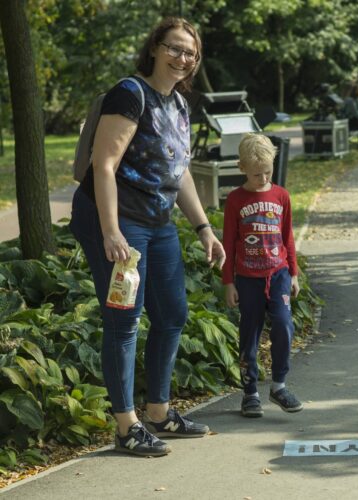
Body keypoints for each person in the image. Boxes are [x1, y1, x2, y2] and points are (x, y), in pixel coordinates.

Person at [68, 17, 225, 457]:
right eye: (174, 48)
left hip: (157, 222)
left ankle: (158, 412)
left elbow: (180, 173)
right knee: (124, 319)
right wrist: (111, 230)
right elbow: (104, 165)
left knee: (172, 313)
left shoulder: (178, 104)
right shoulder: (130, 94)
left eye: (190, 53)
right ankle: (126, 426)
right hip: (118, 219)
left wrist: (204, 228)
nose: (182, 58)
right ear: (155, 47)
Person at [222, 134, 303, 419]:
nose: (263, 178)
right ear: (241, 167)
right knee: (249, 334)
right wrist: (228, 281)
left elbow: (287, 236)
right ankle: (250, 392)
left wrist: (293, 272)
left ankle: (279, 385)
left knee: (283, 325)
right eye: (257, 174)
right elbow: (229, 242)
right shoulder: (235, 200)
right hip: (247, 279)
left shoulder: (282, 196)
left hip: (278, 274)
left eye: (268, 172)